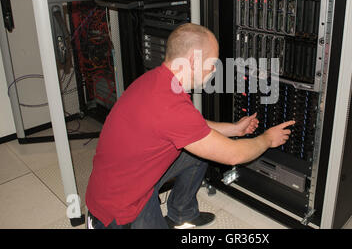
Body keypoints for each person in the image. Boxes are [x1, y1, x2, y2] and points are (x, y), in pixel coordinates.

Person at [85, 23, 294, 229]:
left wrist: (234, 129)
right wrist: (267, 139)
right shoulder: (169, 104)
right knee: (214, 148)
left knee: (198, 153)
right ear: (194, 60)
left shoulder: (158, 80)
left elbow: (194, 128)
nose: (213, 71)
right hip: (118, 211)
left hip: (128, 183)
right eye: (212, 63)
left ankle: (181, 214)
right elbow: (233, 155)